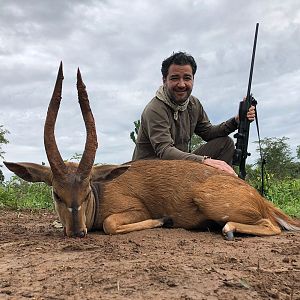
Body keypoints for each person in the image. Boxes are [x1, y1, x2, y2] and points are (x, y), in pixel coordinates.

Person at [132, 51, 255, 176]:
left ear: (193, 79)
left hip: (178, 166)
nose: (181, 84)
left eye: (187, 78)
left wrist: (236, 121)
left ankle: (216, 190)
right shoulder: (155, 109)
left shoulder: (193, 104)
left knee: (225, 143)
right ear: (165, 80)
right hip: (148, 173)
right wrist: (203, 160)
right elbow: (164, 151)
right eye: (175, 78)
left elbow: (209, 133)